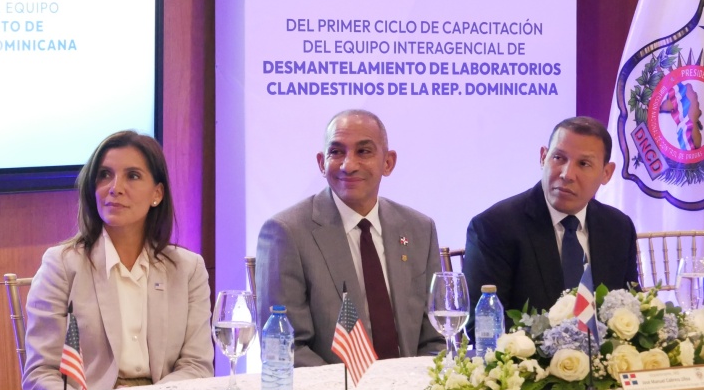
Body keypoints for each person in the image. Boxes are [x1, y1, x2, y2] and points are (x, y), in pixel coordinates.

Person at [22, 131, 213, 390]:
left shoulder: (188, 269)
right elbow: (41, 374)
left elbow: (197, 366)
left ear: (157, 193)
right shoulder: (62, 265)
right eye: (105, 175)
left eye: (132, 176)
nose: (115, 188)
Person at [255, 110, 443, 367]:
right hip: (331, 389)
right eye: (336, 152)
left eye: (363, 151)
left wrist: (416, 382)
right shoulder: (287, 232)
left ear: (388, 163)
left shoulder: (419, 229)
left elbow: (436, 338)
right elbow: (285, 346)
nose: (348, 165)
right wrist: (353, 389)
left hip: (410, 386)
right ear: (321, 163)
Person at [464, 116, 639, 317]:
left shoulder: (618, 227)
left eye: (583, 163)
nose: (567, 174)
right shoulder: (493, 228)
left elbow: (631, 307)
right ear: (543, 157)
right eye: (558, 158)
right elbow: (482, 323)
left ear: (606, 173)